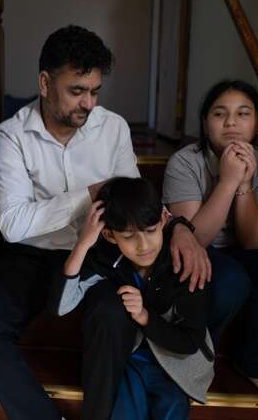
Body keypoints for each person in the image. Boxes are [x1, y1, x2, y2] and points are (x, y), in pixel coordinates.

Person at [0, 25, 210, 420]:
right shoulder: (11, 137)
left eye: (94, 91)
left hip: (103, 255)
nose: (88, 103)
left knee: (112, 317)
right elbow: (12, 223)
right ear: (45, 82)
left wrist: (177, 226)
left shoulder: (113, 128)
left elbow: (134, 203)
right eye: (77, 90)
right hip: (31, 255)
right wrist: (89, 193)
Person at [163, 80, 258, 403]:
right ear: (205, 123)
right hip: (194, 251)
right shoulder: (184, 162)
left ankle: (252, 359)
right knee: (230, 281)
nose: (230, 122)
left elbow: (254, 242)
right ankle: (195, 355)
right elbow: (194, 238)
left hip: (240, 252)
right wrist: (228, 180)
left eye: (243, 113)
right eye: (220, 114)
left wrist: (245, 183)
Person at [53, 177, 214, 420]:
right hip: (132, 363)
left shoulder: (182, 261)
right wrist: (84, 243)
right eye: (128, 237)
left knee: (171, 410)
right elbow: (62, 306)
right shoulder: (109, 258)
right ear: (108, 235)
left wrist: (145, 317)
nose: (143, 245)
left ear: (162, 219)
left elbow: (190, 342)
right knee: (125, 411)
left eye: (150, 231)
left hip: (174, 365)